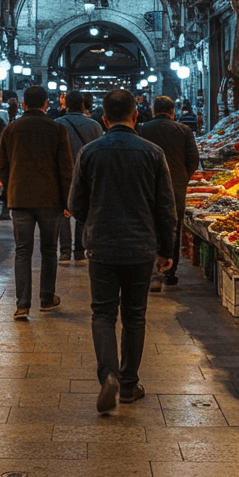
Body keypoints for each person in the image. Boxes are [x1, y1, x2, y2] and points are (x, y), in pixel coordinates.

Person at [68, 89, 176, 412]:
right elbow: (166, 207)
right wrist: (166, 248)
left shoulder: (89, 152)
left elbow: (75, 205)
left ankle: (108, 376)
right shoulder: (154, 153)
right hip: (142, 246)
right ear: (135, 116)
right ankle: (129, 385)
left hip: (101, 246)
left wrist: (94, 221)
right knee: (134, 314)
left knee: (102, 313)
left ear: (103, 119)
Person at [0, 86, 73, 319]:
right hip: (50, 200)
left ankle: (22, 304)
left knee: (22, 251)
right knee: (49, 250)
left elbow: (1, 166)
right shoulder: (57, 129)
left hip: (19, 199)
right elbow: (66, 169)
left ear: (24, 104)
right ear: (46, 104)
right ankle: (47, 298)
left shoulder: (11, 129)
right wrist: (67, 200)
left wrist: (12, 187)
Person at [139, 95, 200, 290]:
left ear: (154, 110)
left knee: (148, 226)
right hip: (175, 186)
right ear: (173, 112)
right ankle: (169, 272)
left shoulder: (142, 129)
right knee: (172, 226)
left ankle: (150, 271)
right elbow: (193, 160)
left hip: (146, 186)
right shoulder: (184, 130)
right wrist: (182, 177)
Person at [53, 91, 103, 262]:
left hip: (62, 174)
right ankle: (80, 251)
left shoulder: (56, 125)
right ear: (83, 105)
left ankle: (65, 251)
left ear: (66, 104)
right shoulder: (94, 126)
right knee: (84, 212)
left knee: (62, 212)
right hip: (87, 174)